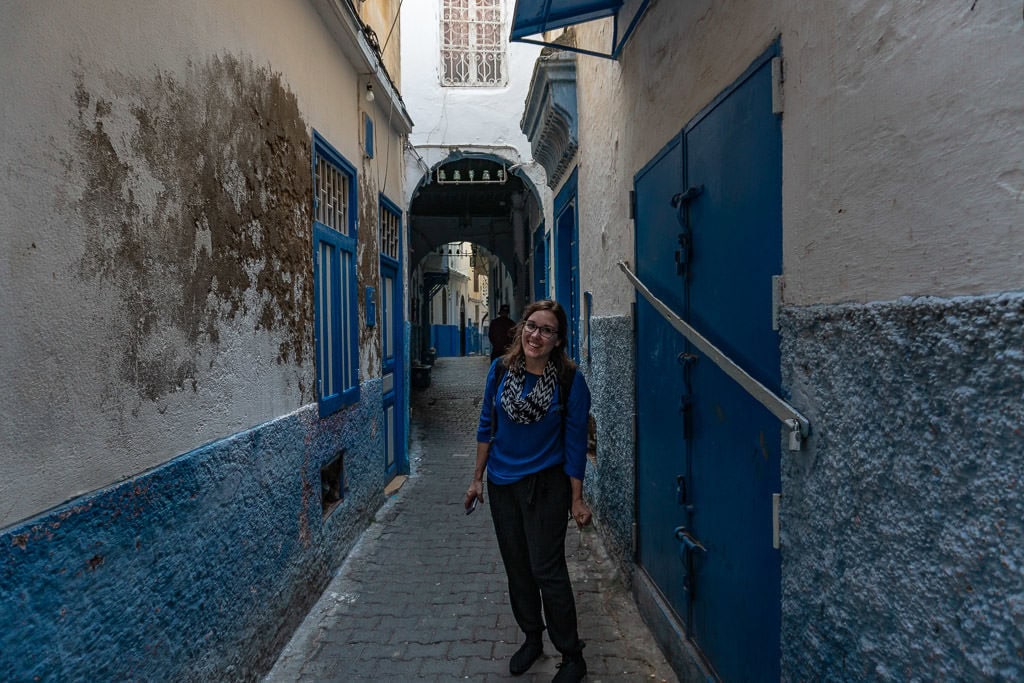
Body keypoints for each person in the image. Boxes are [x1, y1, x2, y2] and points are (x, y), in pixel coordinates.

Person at [465, 300, 592, 682]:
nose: (536, 335)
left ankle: (572, 655)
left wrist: (577, 497)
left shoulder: (570, 381)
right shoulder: (500, 371)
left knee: (546, 569)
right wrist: (476, 478)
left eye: (547, 330)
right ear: (522, 330)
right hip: (502, 485)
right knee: (517, 568)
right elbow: (487, 425)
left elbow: (575, 444)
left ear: (558, 340)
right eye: (532, 326)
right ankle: (532, 638)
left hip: (546, 486)